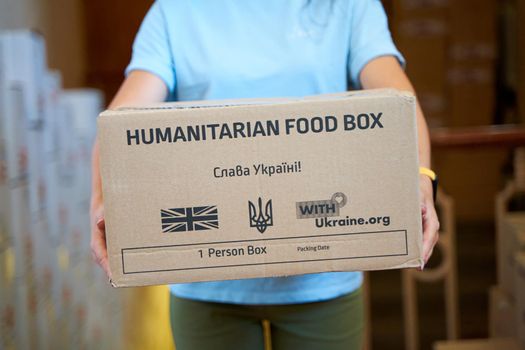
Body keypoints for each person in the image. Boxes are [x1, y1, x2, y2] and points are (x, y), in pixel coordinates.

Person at [90, 1, 440, 349]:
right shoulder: (176, 12)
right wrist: (102, 201)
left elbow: (397, 101)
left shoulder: (347, 6)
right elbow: (122, 121)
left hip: (322, 277)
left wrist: (421, 177)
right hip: (206, 282)